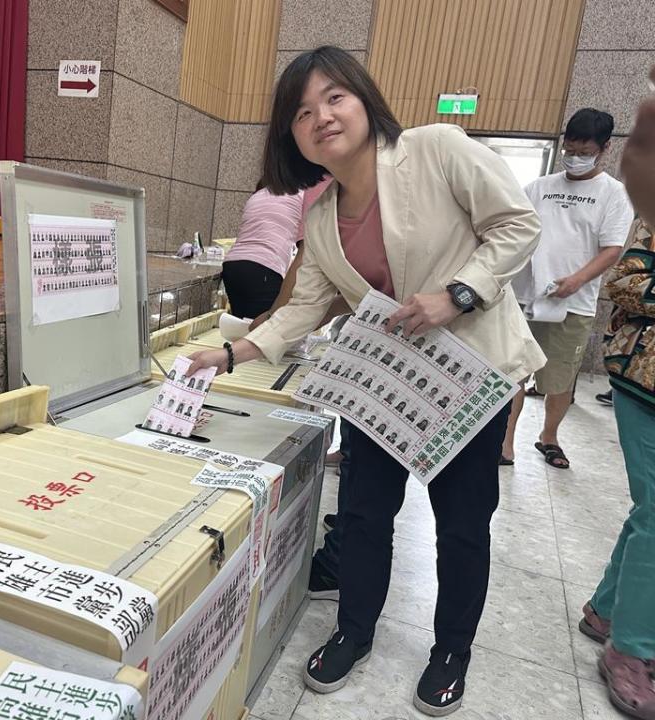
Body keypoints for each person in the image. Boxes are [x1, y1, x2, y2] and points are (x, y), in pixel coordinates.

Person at [186, 46, 544, 716]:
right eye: (301, 111)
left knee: (462, 526)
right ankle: (354, 629)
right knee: (361, 515)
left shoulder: (437, 149)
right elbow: (305, 308)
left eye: (334, 97)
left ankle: (450, 651)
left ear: (364, 100)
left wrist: (459, 293)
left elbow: (518, 225)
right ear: (289, 135)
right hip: (382, 387)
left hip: (467, 382)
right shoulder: (319, 220)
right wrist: (230, 354)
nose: (320, 116)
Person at [580, 70, 655, 719]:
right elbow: (625, 281)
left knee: (651, 510)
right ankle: (633, 648)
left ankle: (607, 611)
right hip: (644, 376)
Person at [501, 109, 634, 469]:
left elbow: (611, 250)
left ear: (604, 149)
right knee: (513, 373)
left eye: (584, 151)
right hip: (524, 296)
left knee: (559, 380)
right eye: (569, 149)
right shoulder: (539, 188)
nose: (575, 158)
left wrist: (576, 280)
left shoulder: (614, 195)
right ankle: (506, 443)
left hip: (574, 303)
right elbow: (514, 229)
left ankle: (549, 437)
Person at [220, 181, 304, 319]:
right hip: (264, 268)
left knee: (242, 325)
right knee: (263, 331)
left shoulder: (260, 194)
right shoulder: (302, 196)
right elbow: (306, 251)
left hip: (232, 265)